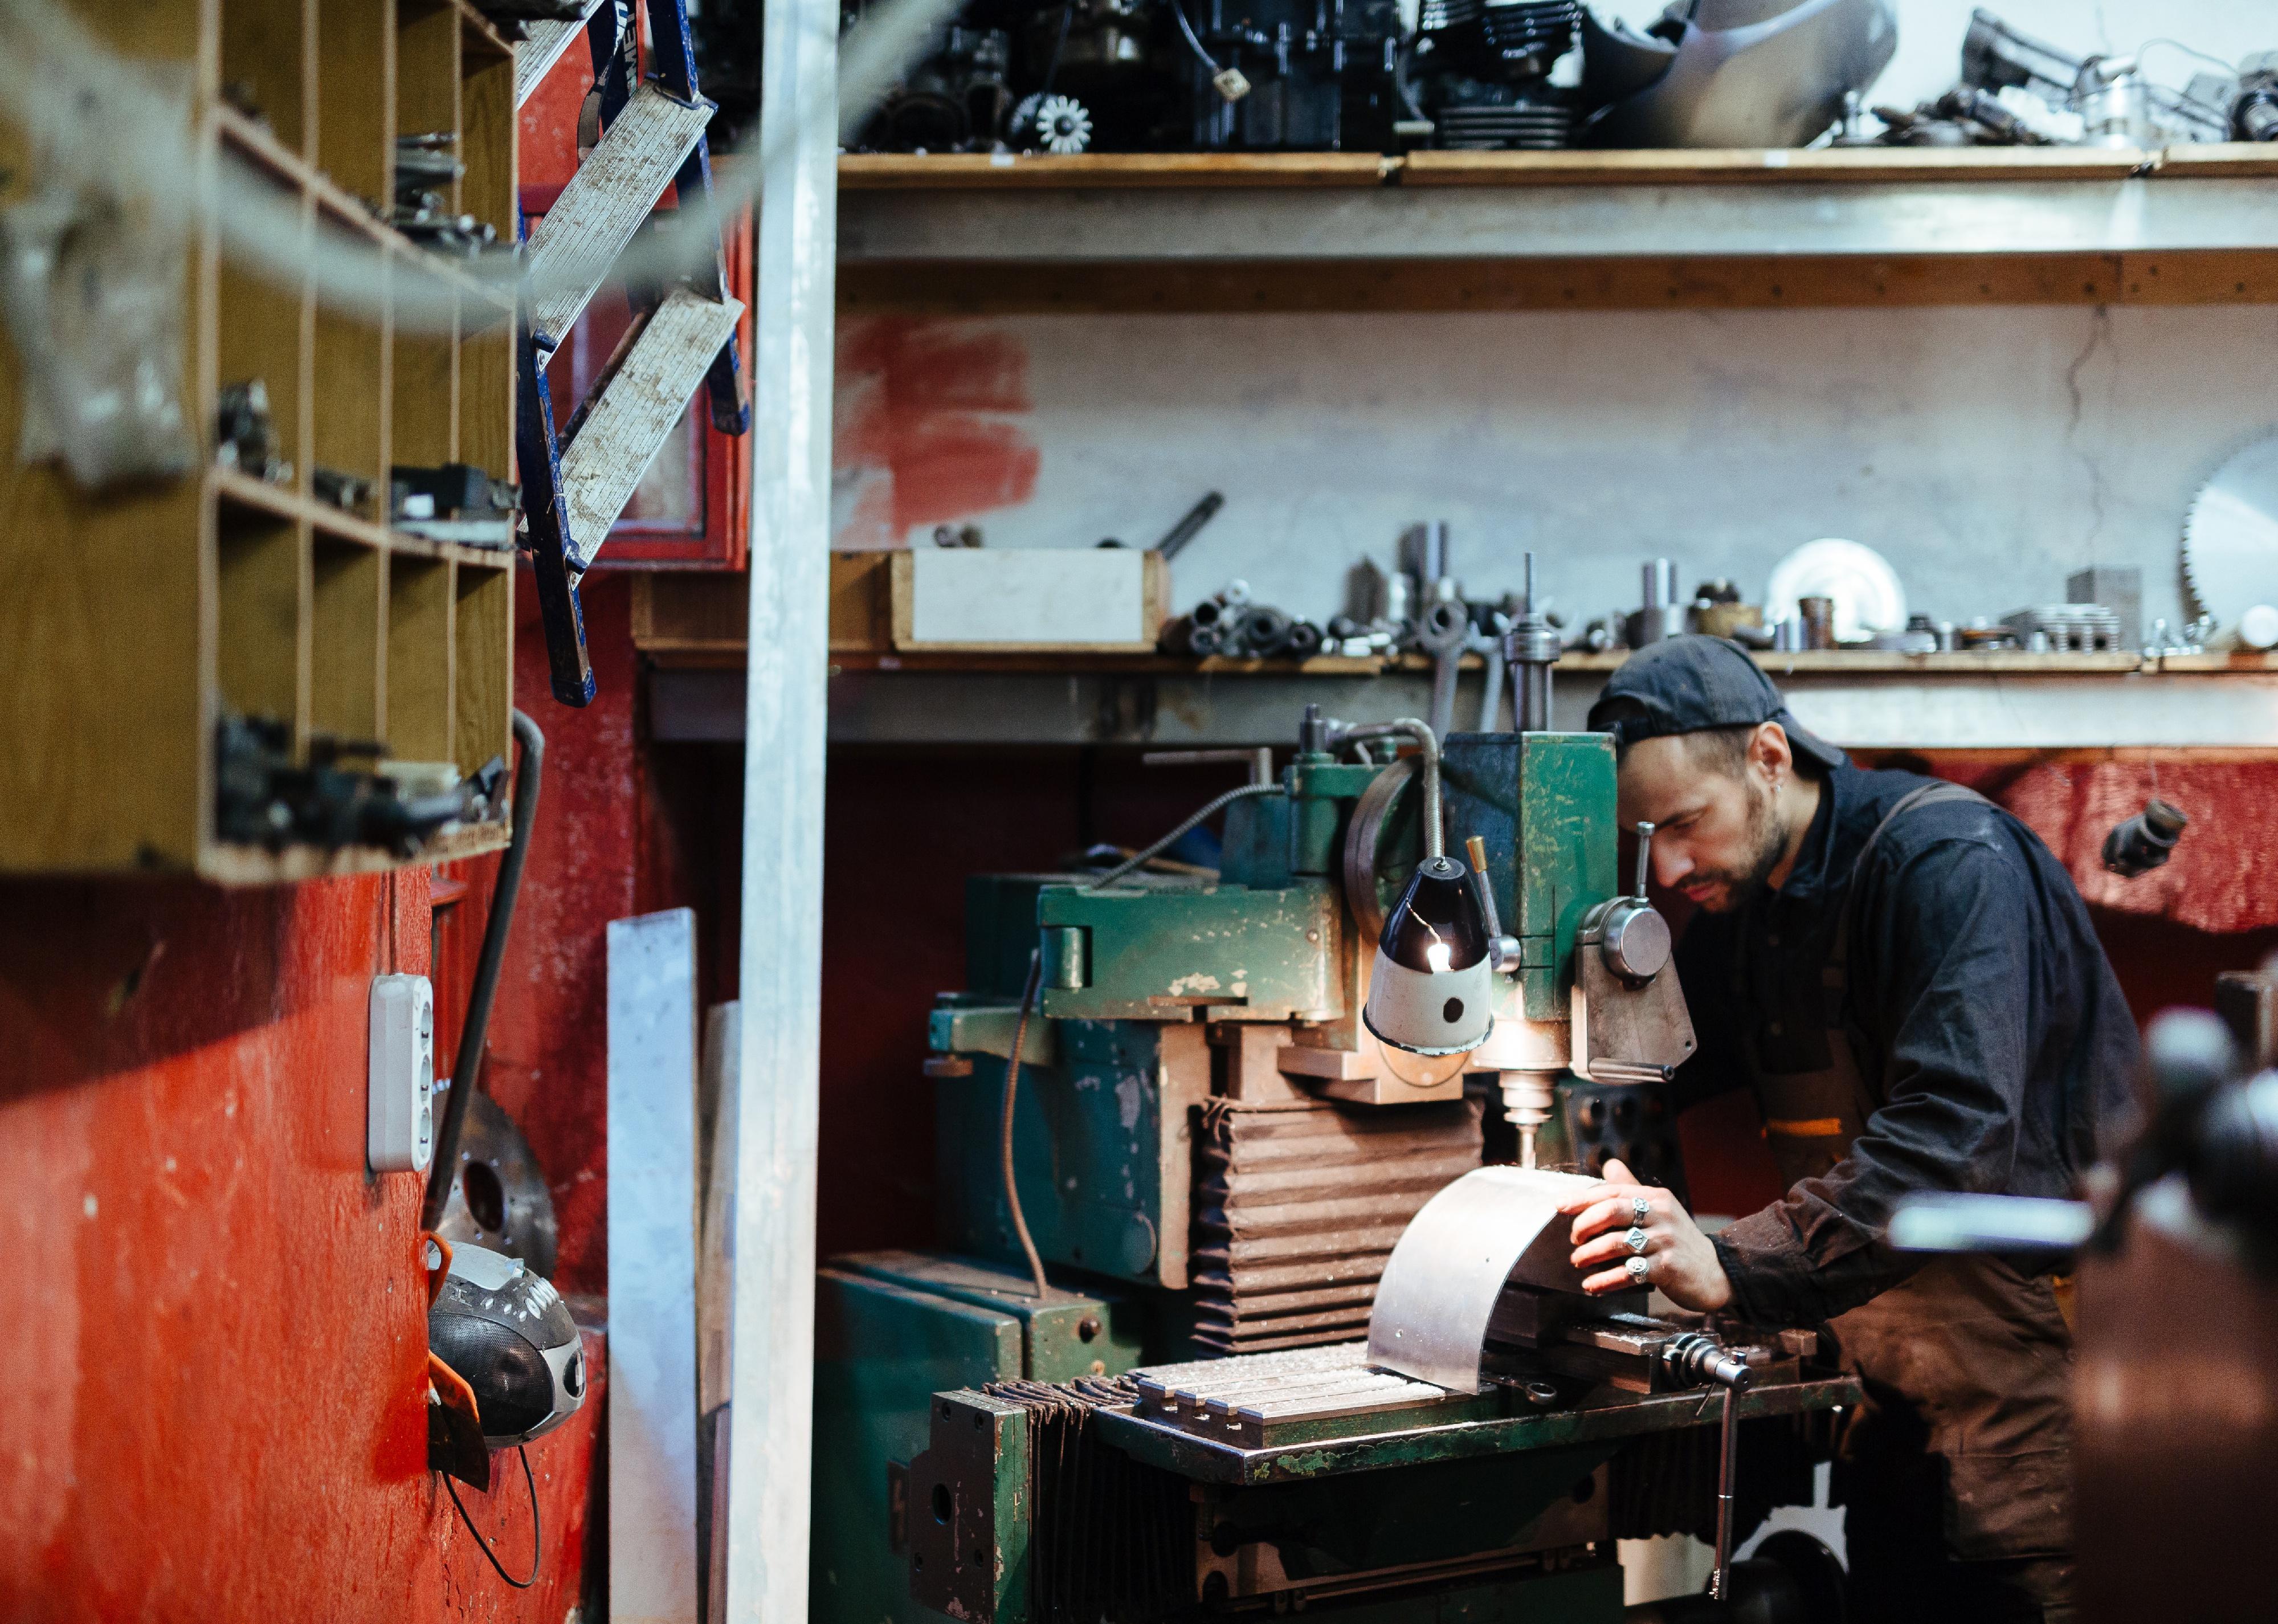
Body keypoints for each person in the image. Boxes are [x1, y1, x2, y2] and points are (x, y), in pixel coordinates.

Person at [1557, 635, 2137, 1624]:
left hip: (2042, 1400)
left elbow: (1953, 1139)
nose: (1665, 863)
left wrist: (1734, 1264)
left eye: (1685, 822)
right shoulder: (1748, 908)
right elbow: (1658, 1075)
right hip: (1895, 1404)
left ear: (1770, 758)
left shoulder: (1945, 863)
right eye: (1641, 836)